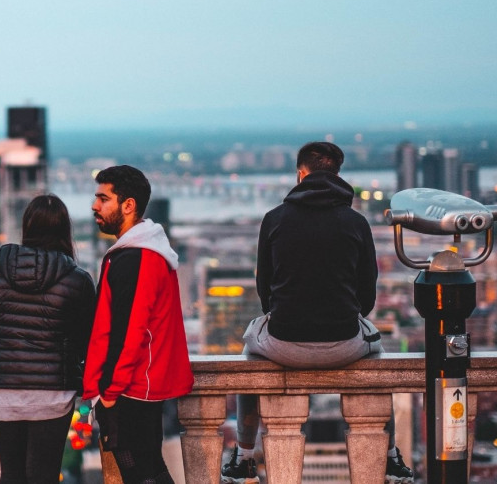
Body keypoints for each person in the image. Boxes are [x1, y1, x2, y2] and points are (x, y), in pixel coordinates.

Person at [220, 142, 413, 484]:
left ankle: (245, 457)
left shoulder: (274, 219)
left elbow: (265, 291)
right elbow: (367, 294)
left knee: (249, 351)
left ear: (300, 173)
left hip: (283, 342)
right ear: (338, 175)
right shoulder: (356, 223)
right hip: (345, 344)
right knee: (378, 350)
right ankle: (390, 454)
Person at [0, 194, 97, 484]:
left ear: (27, 227)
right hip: (53, 391)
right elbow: (87, 339)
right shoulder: (77, 279)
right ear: (65, 230)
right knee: (43, 475)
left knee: (12, 474)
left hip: (3, 388)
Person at [84, 165, 192, 484]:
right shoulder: (142, 253)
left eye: (103, 198)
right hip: (139, 385)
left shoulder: (137, 258)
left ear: (128, 205)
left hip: (131, 388)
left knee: (141, 473)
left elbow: (130, 330)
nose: (94, 206)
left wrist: (109, 392)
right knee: (148, 469)